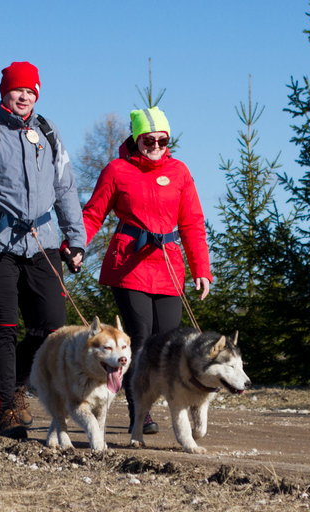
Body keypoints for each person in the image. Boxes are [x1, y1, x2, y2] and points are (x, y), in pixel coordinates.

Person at [0, 61, 86, 439]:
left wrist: (75, 239)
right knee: (4, 328)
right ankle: (8, 408)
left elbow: (66, 188)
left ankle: (20, 386)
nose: (24, 96)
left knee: (51, 328)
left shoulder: (49, 132)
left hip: (42, 244)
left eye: (31, 91)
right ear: (4, 93)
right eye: (17, 90)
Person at [67, 106, 212, 434]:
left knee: (171, 346)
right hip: (129, 265)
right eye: (149, 140)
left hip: (168, 267)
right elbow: (93, 214)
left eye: (163, 140)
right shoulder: (117, 170)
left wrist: (201, 268)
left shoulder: (179, 171)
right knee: (138, 341)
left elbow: (192, 223)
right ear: (136, 138)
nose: (157, 145)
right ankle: (140, 414)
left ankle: (174, 405)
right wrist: (76, 246)